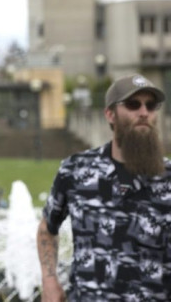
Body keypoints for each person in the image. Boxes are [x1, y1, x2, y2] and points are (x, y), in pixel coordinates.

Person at [37, 74, 171, 301]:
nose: (144, 112)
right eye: (133, 104)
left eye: (151, 105)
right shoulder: (76, 170)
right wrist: (49, 280)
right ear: (110, 114)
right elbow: (47, 230)